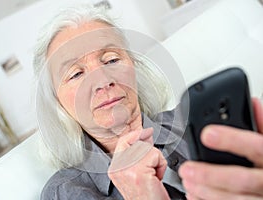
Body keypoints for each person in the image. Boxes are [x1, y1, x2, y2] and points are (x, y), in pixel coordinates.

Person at [33, 4, 263, 200]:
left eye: (112, 60)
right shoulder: (64, 192)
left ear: (134, 68)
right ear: (58, 103)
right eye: (76, 74)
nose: (102, 81)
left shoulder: (194, 119)